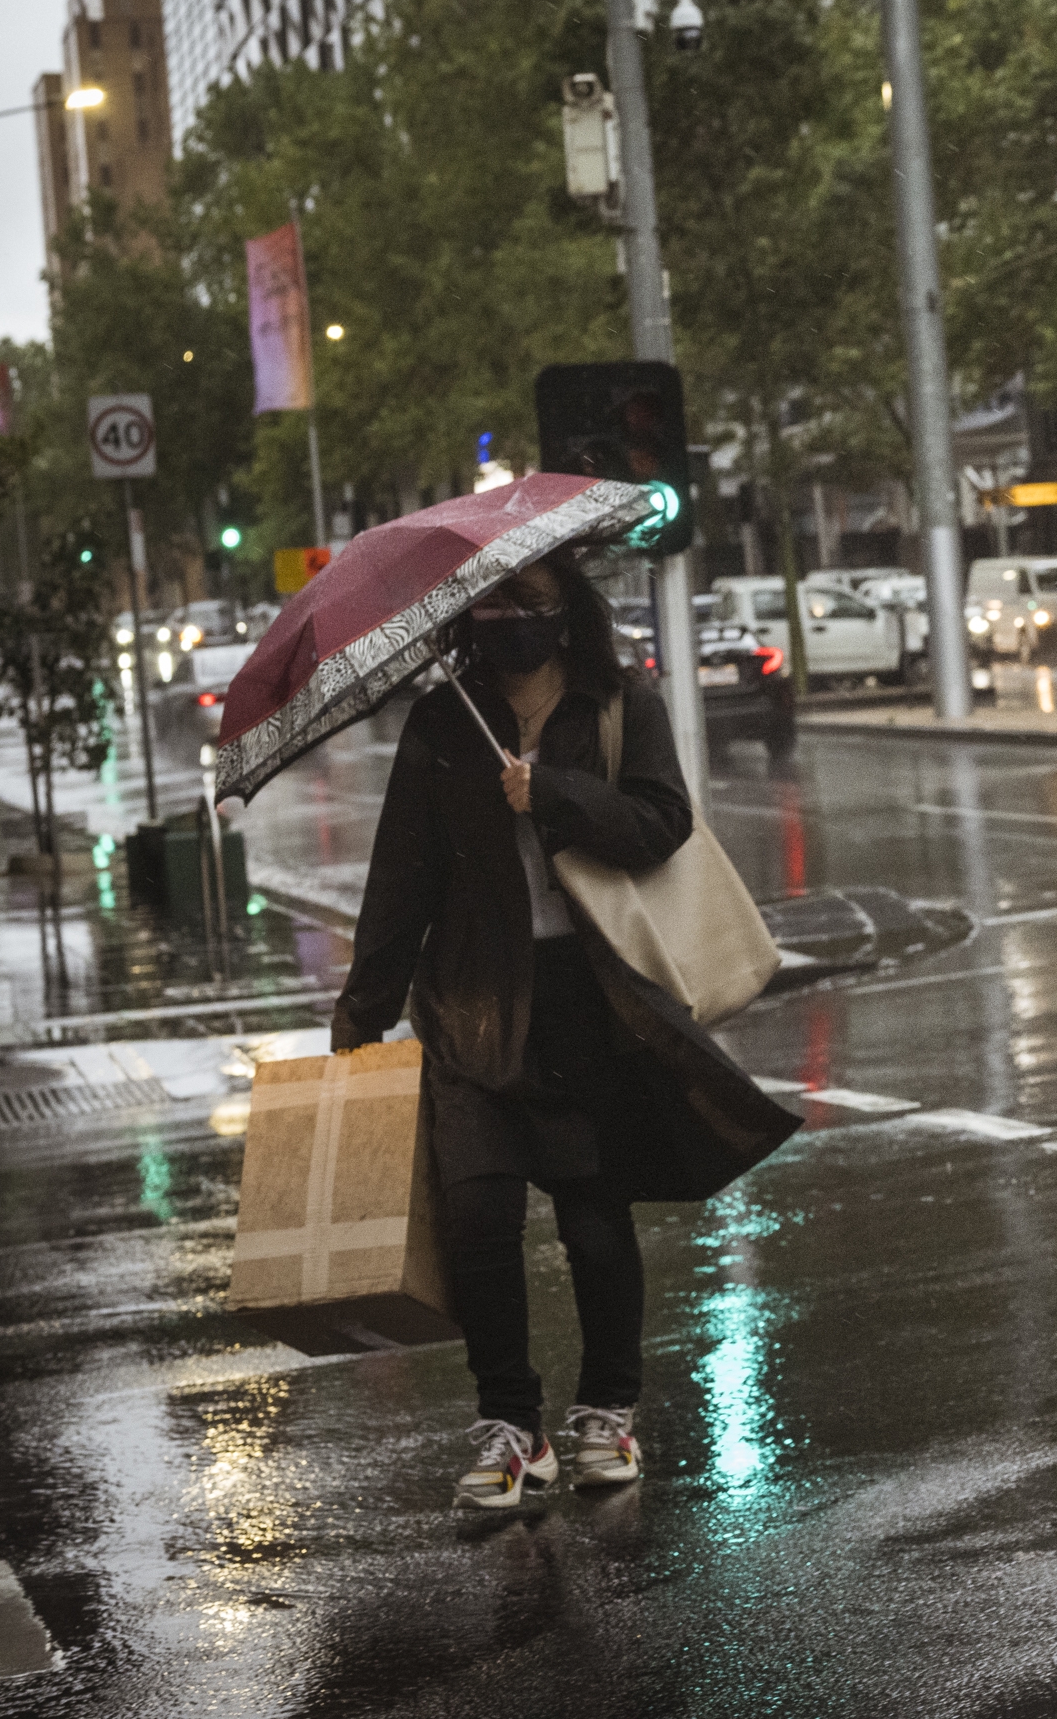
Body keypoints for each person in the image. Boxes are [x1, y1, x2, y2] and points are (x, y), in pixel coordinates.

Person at [334, 550, 799, 1510]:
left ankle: (608, 1412)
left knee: (594, 1218)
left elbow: (661, 823)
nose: (507, 615)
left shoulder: (619, 703)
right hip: (471, 1001)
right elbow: (402, 877)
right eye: (489, 601)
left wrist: (552, 794)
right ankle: (509, 1428)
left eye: (527, 597)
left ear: (564, 604)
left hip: (589, 998)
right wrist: (361, 1009)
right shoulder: (441, 722)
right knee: (479, 1217)